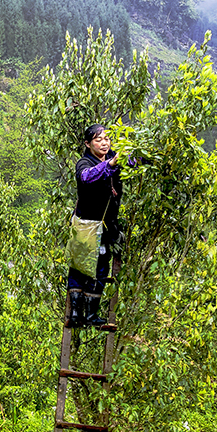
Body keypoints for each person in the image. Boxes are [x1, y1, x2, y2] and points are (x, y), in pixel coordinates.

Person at [68, 124, 123, 327]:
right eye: (98, 140)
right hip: (86, 225)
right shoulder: (84, 163)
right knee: (79, 267)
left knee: (100, 267)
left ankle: (91, 315)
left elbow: (135, 161)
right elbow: (86, 177)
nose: (104, 143)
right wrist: (109, 165)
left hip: (105, 225)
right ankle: (75, 315)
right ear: (88, 143)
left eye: (107, 139)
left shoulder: (115, 157)